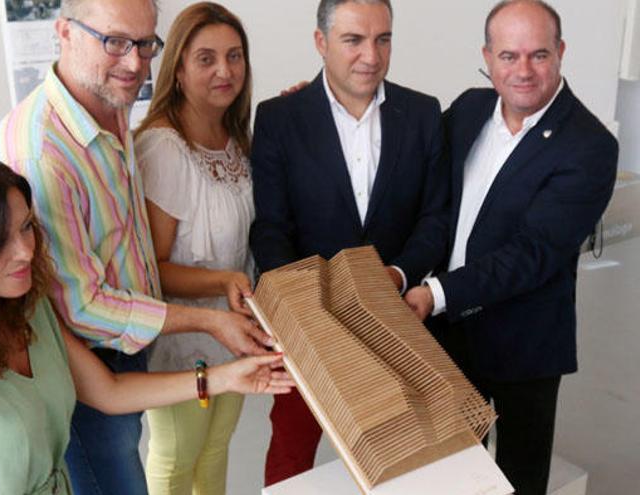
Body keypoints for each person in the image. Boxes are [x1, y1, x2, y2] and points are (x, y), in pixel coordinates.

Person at [0, 152, 294, 495]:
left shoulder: (28, 310)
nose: (24, 252)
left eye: (26, 228)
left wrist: (227, 377)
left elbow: (108, 392)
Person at [0, 1, 272, 493]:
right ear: (65, 33)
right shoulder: (42, 155)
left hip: (125, 351)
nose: (135, 62)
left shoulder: (113, 111)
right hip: (83, 359)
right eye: (114, 41)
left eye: (145, 44)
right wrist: (208, 316)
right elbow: (83, 307)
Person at [404, 1, 618, 493]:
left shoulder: (589, 146)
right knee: (451, 471)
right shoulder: (470, 109)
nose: (523, 71)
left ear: (561, 52)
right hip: (446, 335)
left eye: (538, 54)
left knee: (518, 478)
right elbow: (412, 163)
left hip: (524, 344)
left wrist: (434, 293)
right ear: (487, 55)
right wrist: (321, 105)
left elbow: (533, 252)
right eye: (508, 55)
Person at [249, 0, 449, 485]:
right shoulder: (278, 117)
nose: (371, 56)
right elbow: (271, 228)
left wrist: (397, 276)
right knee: (292, 456)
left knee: (398, 453)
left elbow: (436, 218)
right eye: (353, 40)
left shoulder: (423, 114)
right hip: (309, 326)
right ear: (321, 43)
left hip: (396, 317)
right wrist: (305, 307)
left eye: (383, 39)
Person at [133, 3, 253, 494]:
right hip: (181, 341)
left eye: (234, 56)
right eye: (206, 59)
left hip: (233, 332)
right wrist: (224, 282)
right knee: (177, 460)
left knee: (214, 454)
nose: (224, 71)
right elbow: (153, 270)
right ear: (178, 70)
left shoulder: (235, 137)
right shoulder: (164, 147)